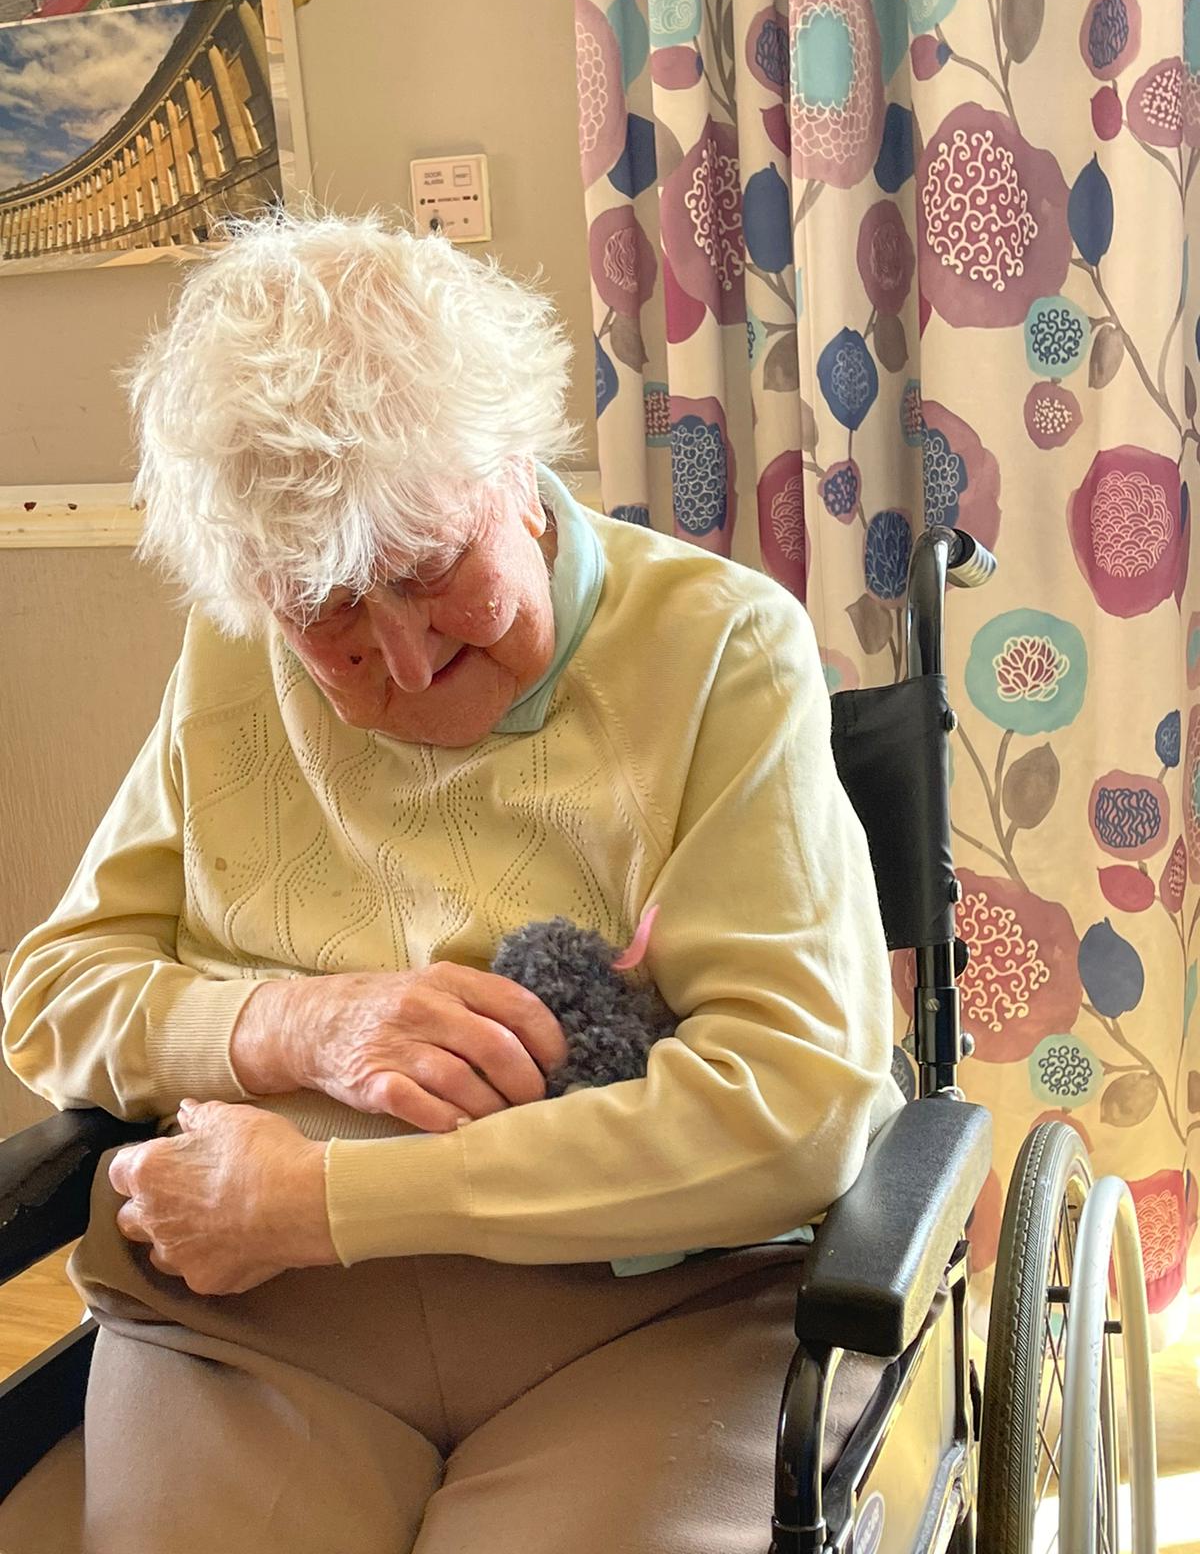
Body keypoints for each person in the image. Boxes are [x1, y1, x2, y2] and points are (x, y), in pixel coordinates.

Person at [0, 211, 902, 1554]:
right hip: (255, 1319)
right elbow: (54, 998)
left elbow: (792, 1107)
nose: (410, 662)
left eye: (432, 571)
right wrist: (298, 1024)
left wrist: (321, 1205)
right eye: (328, 613)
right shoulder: (236, 655)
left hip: (643, 1311)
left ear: (517, 471)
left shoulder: (721, 650)